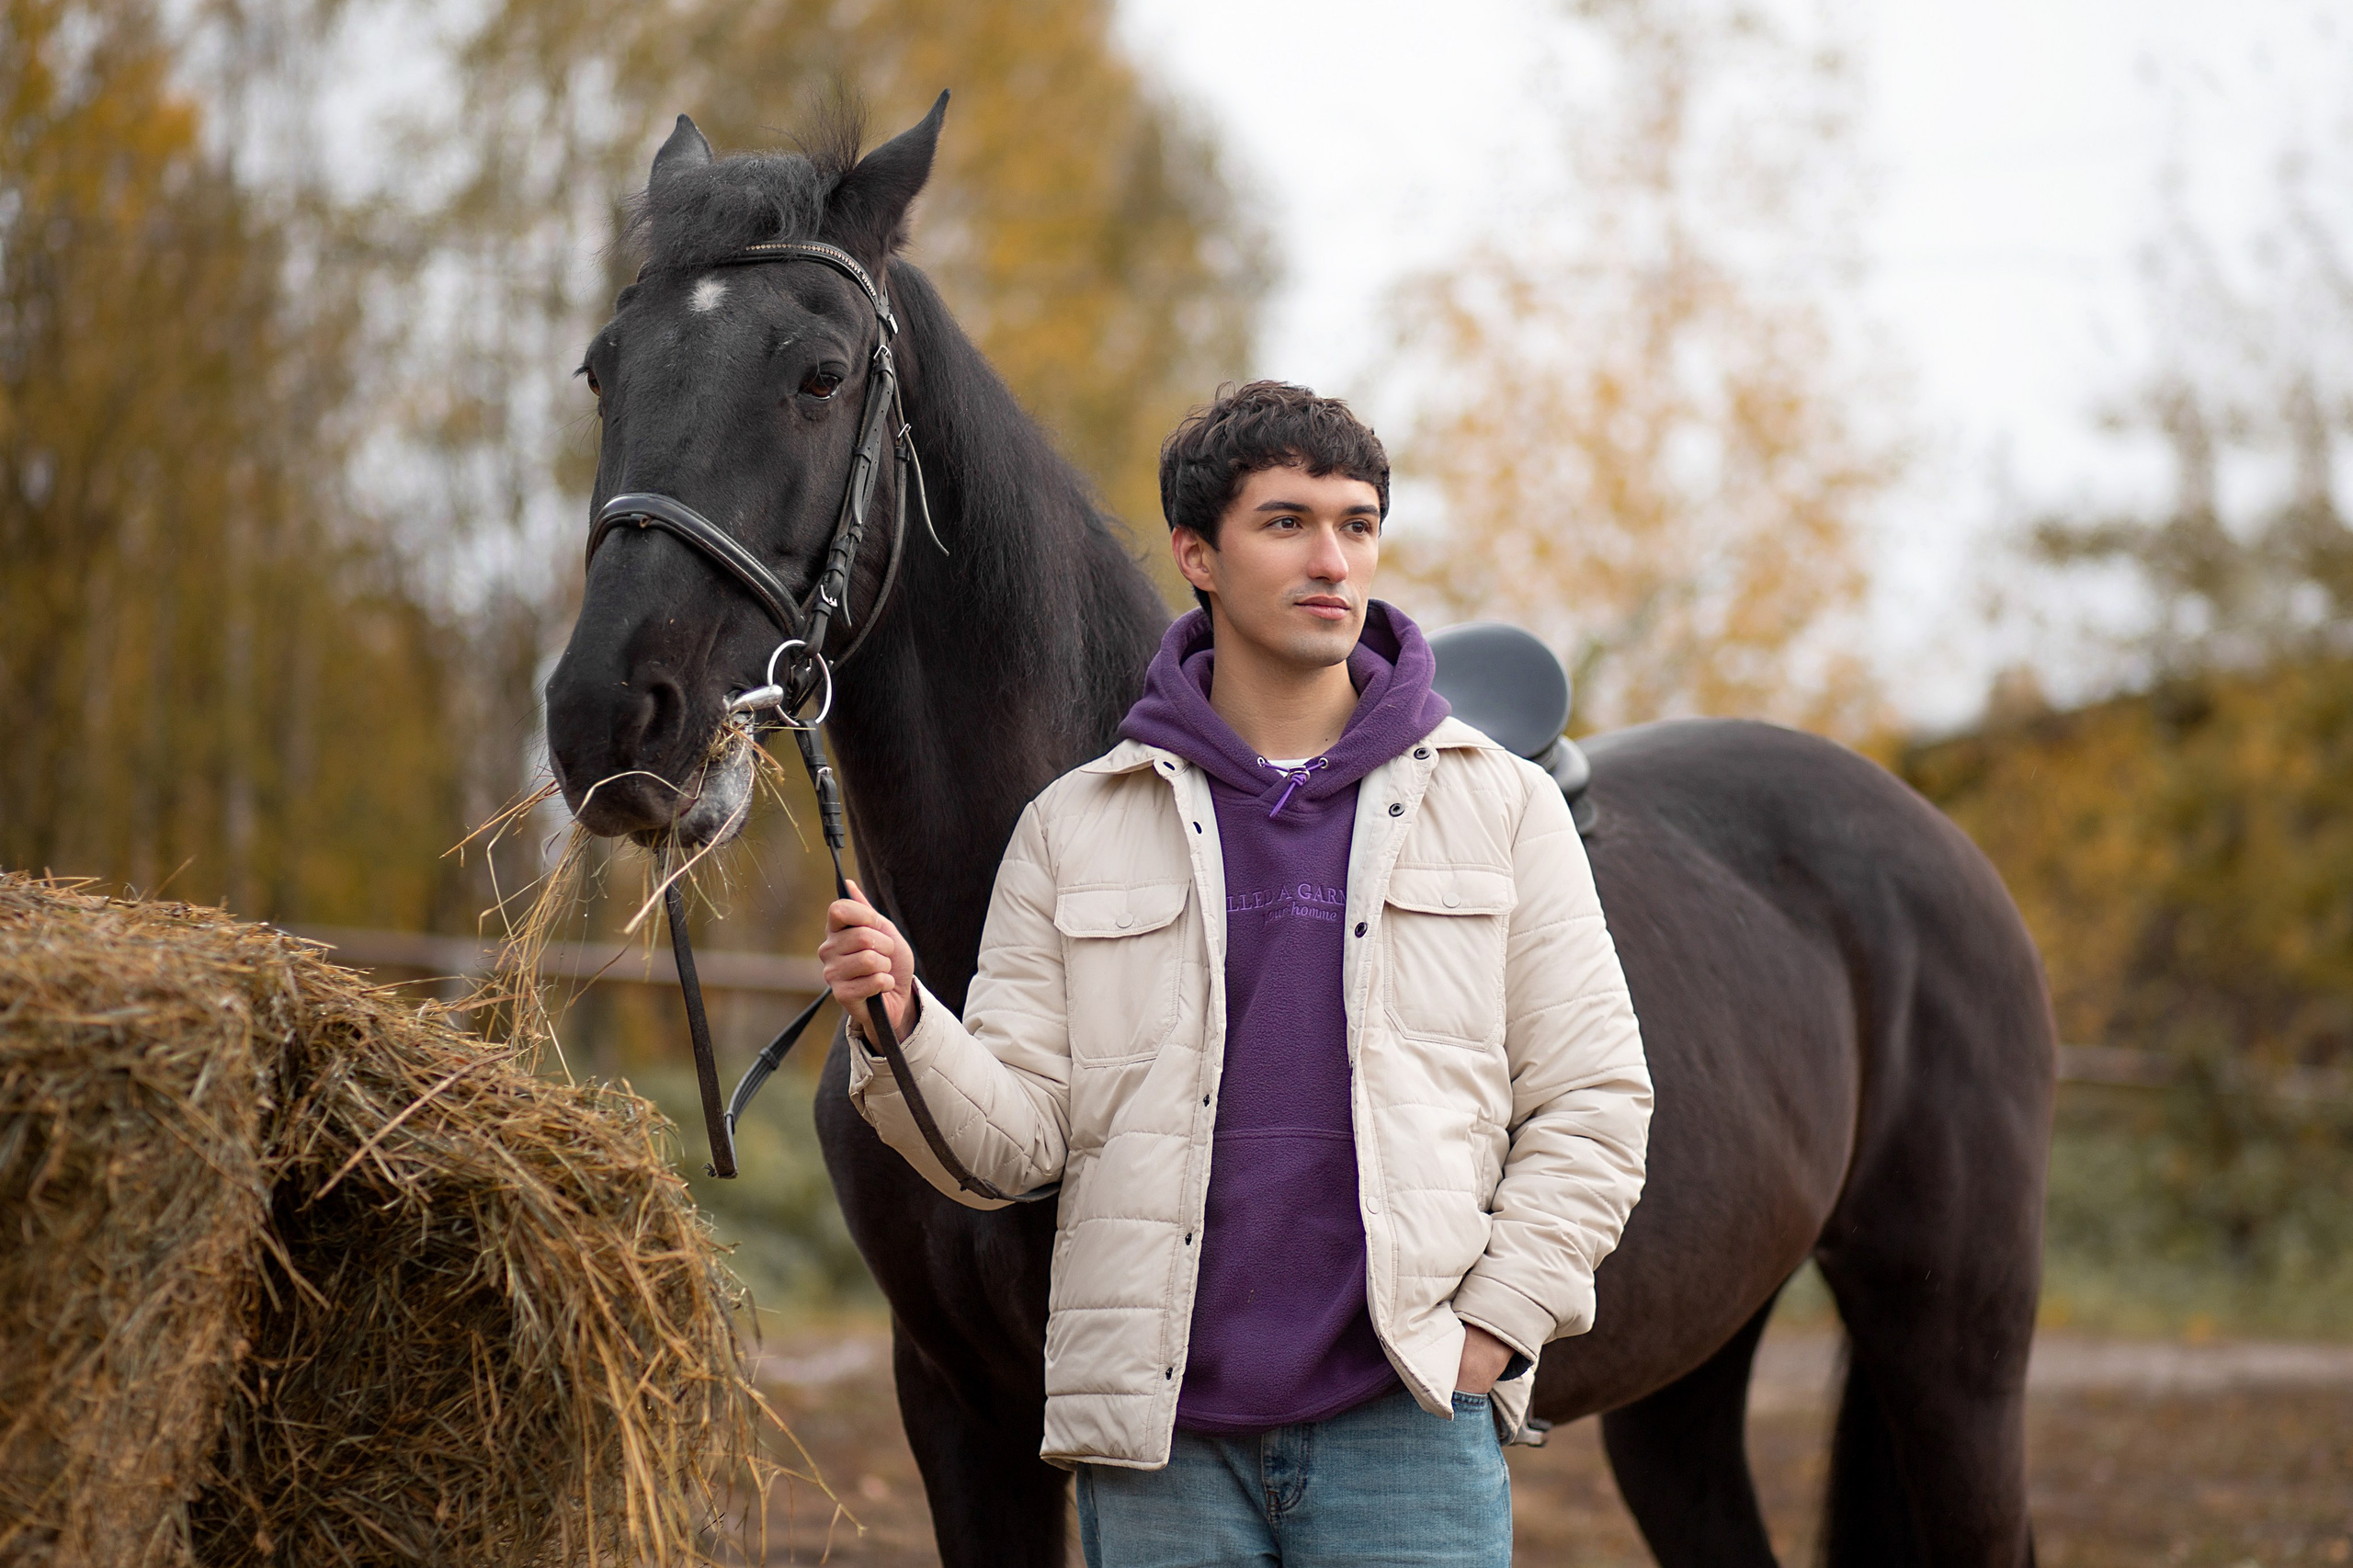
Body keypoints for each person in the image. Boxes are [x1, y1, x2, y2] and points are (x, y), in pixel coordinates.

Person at [821, 380, 1652, 1568]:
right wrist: (902, 1019)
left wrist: (1495, 1324)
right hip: (1166, 1456)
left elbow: (1597, 1096)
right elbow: (1018, 1141)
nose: (1333, 557)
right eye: (1288, 522)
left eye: (1357, 523)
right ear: (1196, 552)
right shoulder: (1074, 827)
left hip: (1407, 1432)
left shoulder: (1500, 806)